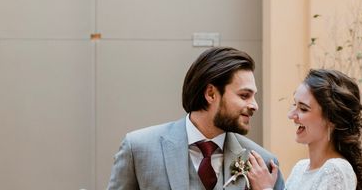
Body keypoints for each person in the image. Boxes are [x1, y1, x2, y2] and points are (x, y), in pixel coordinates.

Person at [107, 46, 285, 190]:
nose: (255, 105)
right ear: (211, 94)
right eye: (244, 95)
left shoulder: (264, 163)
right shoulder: (138, 148)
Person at [247, 69, 362, 190]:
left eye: (303, 109)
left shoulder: (336, 170)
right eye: (295, 105)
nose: (291, 115)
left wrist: (265, 188)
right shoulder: (300, 168)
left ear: (332, 119)